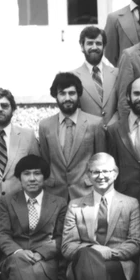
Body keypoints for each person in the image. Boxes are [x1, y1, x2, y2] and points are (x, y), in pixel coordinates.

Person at [61, 153, 140, 280]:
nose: (101, 176)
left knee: (88, 269)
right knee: (87, 256)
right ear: (88, 176)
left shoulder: (130, 203)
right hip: (83, 263)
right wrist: (93, 250)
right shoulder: (75, 205)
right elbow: (67, 246)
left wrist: (109, 253)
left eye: (106, 171)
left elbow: (135, 242)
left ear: (115, 173)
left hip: (117, 266)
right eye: (95, 172)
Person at [0, 155, 66, 280]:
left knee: (16, 279)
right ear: (20, 177)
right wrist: (18, 251)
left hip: (45, 265)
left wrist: (41, 253)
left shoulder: (59, 203)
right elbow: (1, 234)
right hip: (12, 261)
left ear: (45, 177)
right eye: (27, 174)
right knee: (17, 263)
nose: (32, 178)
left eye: (37, 173)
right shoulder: (7, 202)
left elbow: (62, 238)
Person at [38, 72, 106, 201]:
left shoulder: (95, 124)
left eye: (72, 93)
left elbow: (101, 162)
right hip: (55, 194)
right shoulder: (45, 126)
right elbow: (45, 162)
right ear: (55, 95)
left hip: (87, 192)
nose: (67, 98)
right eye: (62, 93)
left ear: (78, 94)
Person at [74, 26, 117, 125]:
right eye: (90, 43)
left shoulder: (117, 74)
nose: (94, 47)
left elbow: (123, 105)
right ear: (82, 46)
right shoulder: (73, 77)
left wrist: (112, 125)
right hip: (87, 132)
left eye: (98, 43)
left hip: (114, 131)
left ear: (104, 47)